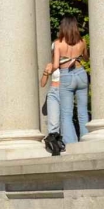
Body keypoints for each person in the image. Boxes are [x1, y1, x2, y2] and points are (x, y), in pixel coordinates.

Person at [41, 15, 89, 146]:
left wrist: (49, 69)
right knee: (83, 111)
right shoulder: (82, 41)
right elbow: (86, 58)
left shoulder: (58, 43)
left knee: (66, 113)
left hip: (66, 75)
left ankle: (72, 143)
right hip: (81, 74)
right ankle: (86, 141)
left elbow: (56, 65)